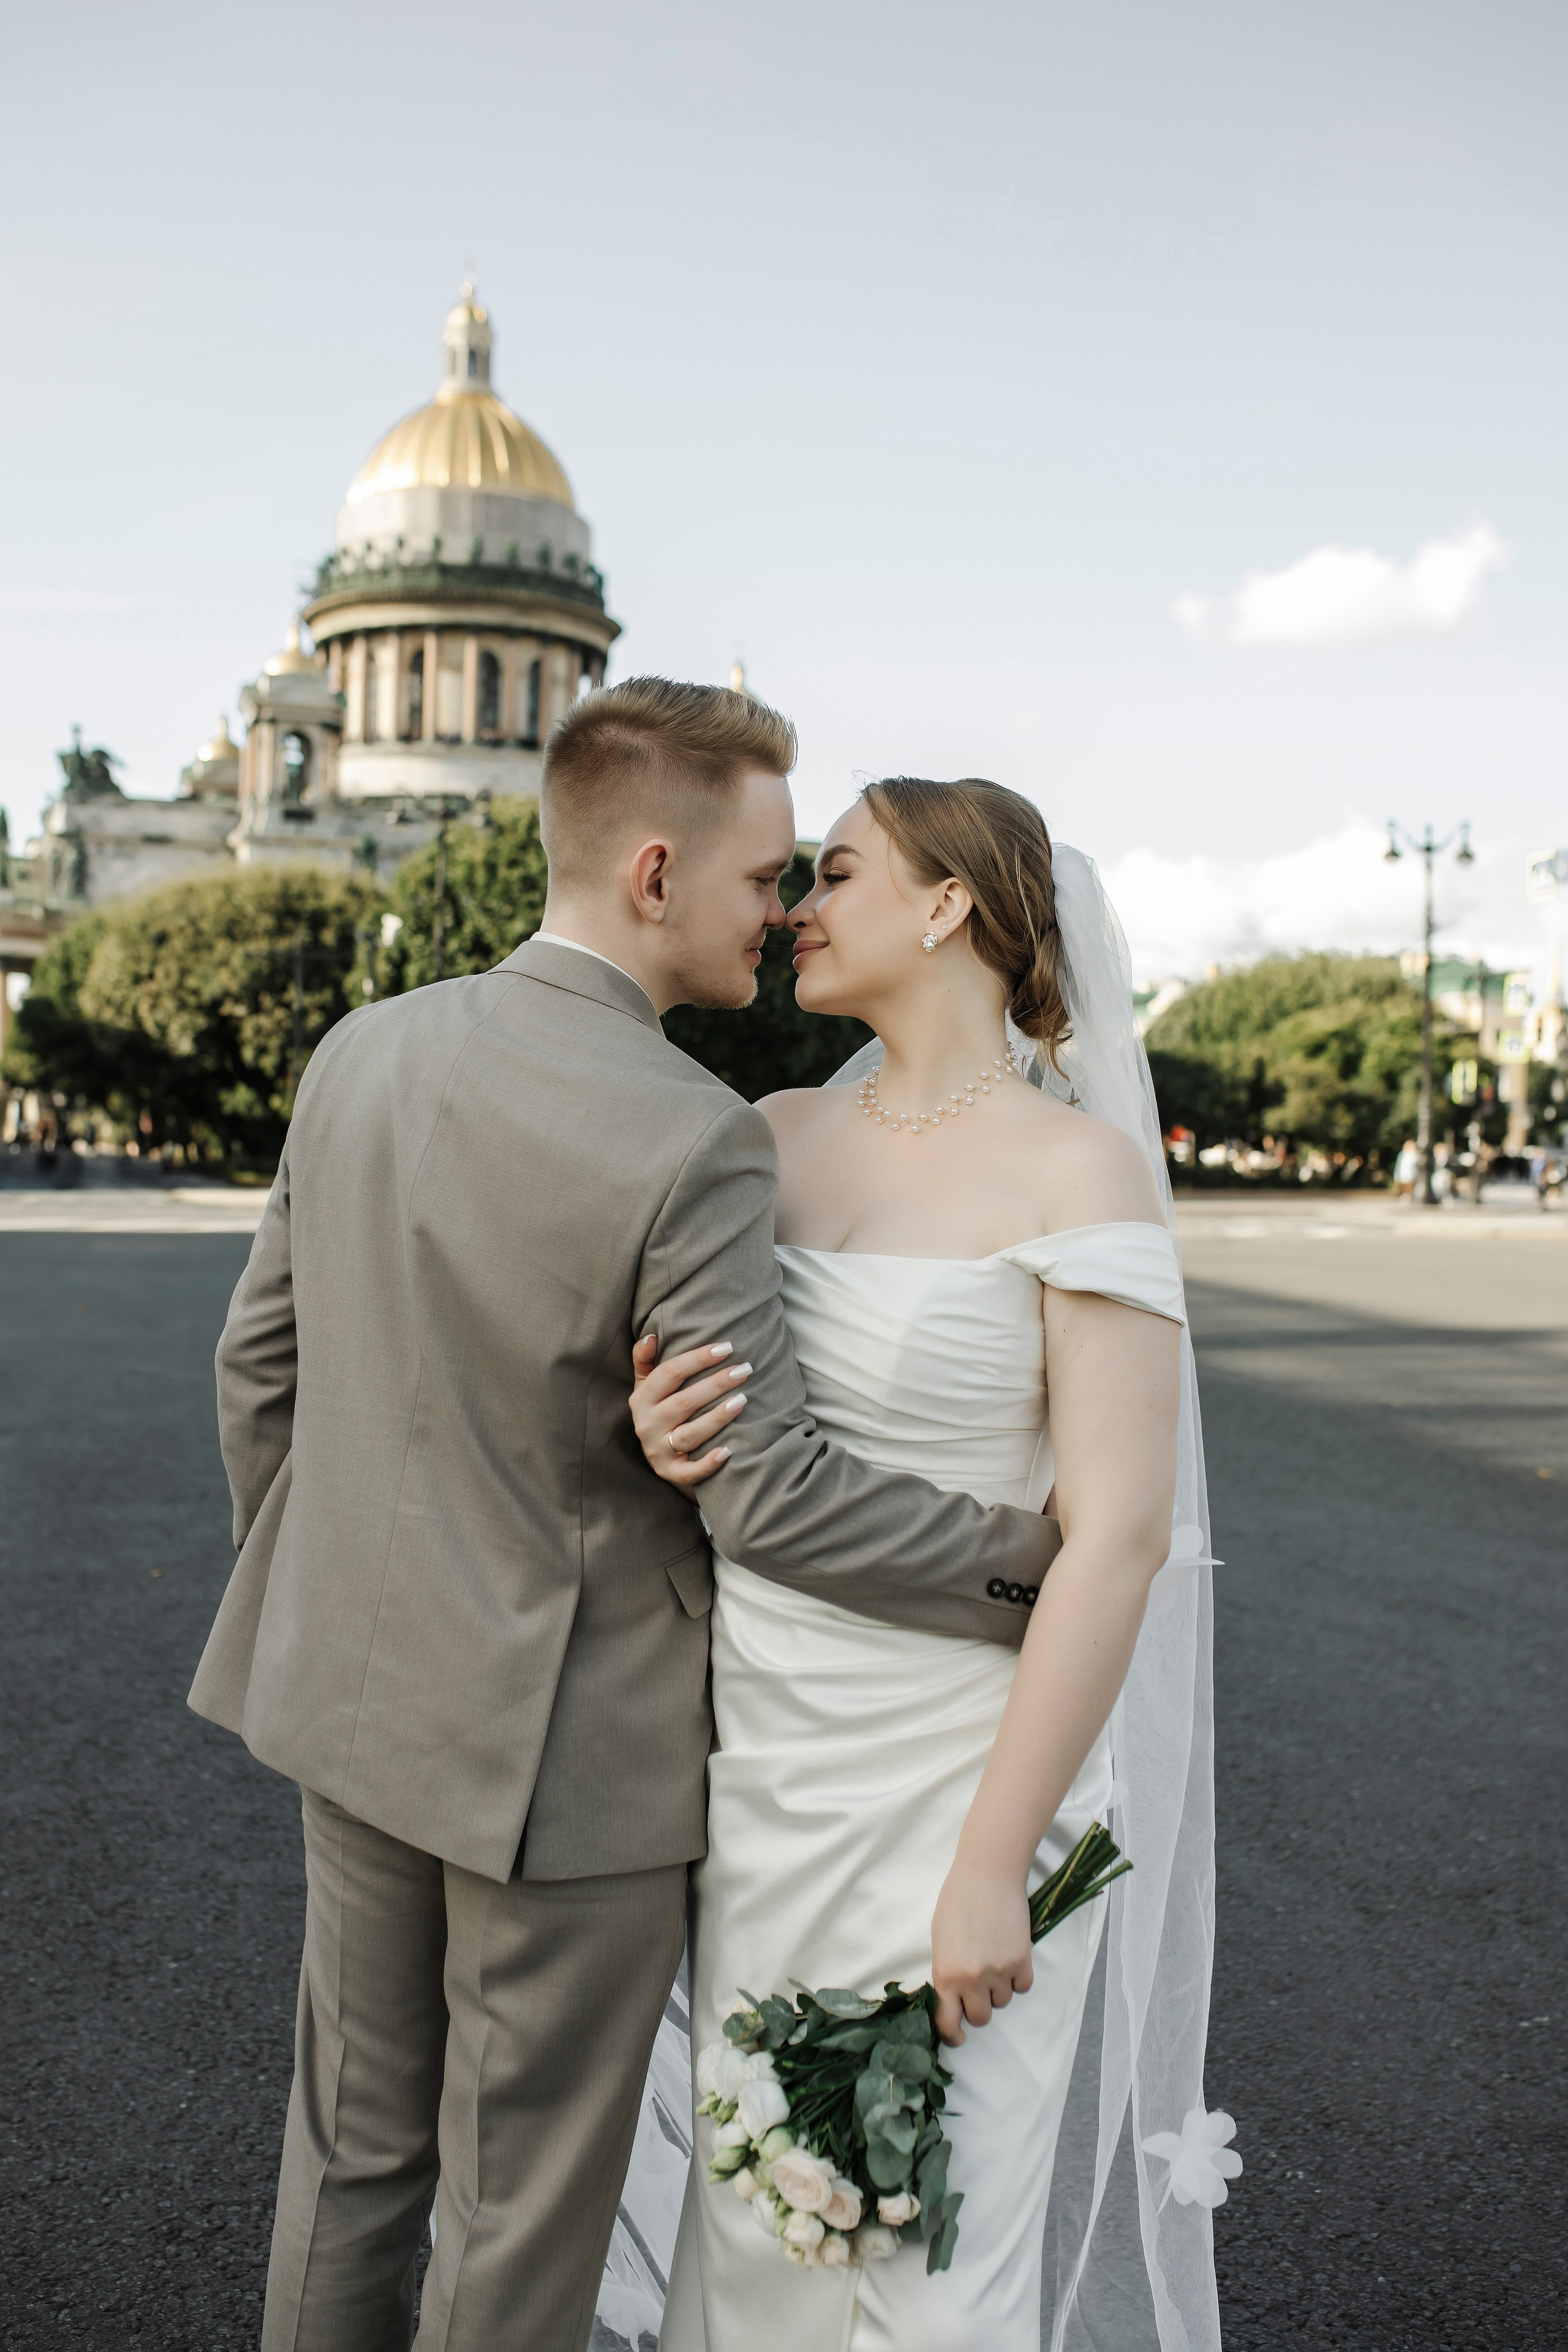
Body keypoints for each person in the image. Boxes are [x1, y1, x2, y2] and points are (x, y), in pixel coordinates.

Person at [188, 682, 1065, 2352]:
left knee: (351, 2158)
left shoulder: (363, 1049)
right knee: (517, 2216)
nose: (786, 913)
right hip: (565, 1763)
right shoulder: (690, 1138)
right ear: (655, 877)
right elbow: (770, 1495)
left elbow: (260, 1368)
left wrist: (329, 1601)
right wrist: (1042, 1566)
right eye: (764, 881)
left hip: (352, 1703)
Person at [617, 777, 1226, 2351]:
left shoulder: (1072, 1171)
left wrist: (986, 1862)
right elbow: (732, 1438)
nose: (792, 910)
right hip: (765, 1770)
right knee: (753, 2239)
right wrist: (659, 1423)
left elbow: (1122, 1533)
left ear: (949, 902)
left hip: (970, 1771)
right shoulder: (765, 1137)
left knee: (935, 2272)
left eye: (829, 873)